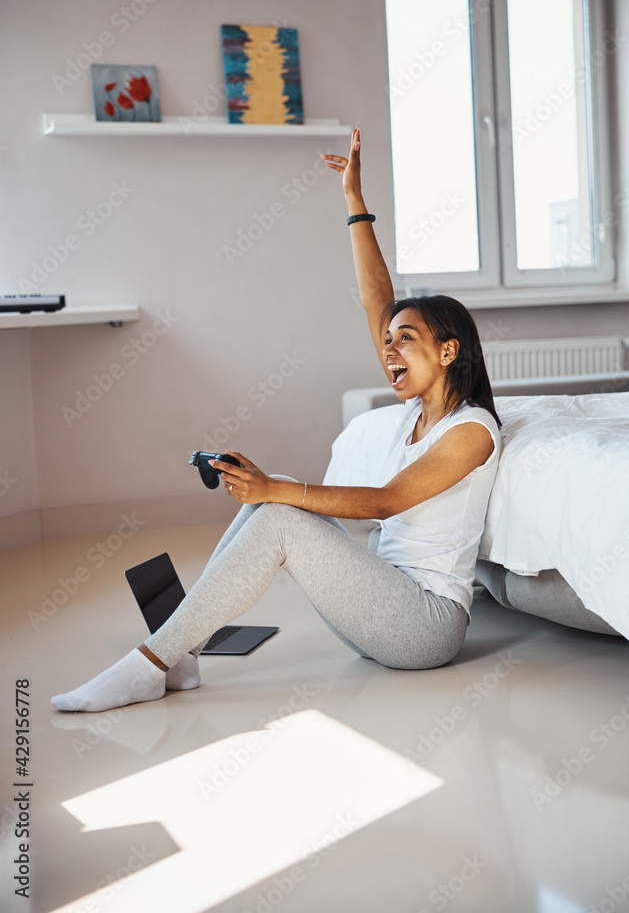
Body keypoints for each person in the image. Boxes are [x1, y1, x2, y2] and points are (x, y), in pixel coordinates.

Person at [51, 127, 503, 713]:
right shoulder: (415, 410)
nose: (389, 350)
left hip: (425, 626)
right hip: (381, 606)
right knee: (269, 506)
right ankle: (180, 653)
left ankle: (151, 664)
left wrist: (278, 488)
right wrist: (354, 204)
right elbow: (377, 296)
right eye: (387, 341)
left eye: (406, 340)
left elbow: (387, 501)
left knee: (280, 510)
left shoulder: (472, 430)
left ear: (447, 351)